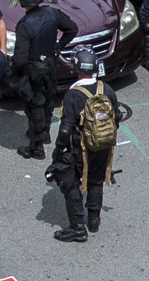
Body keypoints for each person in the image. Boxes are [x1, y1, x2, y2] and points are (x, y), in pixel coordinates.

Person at [49, 47, 119, 242]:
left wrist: (58, 150)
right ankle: (94, 220)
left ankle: (78, 228)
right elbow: (117, 116)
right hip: (104, 146)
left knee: (70, 184)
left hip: (81, 148)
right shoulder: (106, 88)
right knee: (97, 180)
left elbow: (65, 129)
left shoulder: (73, 95)